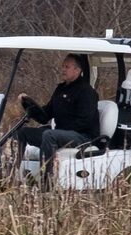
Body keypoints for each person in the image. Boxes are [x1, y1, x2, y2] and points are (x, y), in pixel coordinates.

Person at [16, 53, 101, 188]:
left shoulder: (87, 92)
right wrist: (28, 105)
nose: (63, 70)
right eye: (63, 66)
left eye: (67, 67)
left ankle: (46, 182)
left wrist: (60, 131)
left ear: (77, 70)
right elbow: (45, 116)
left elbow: (85, 121)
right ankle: (12, 175)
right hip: (61, 135)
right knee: (23, 132)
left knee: (49, 135)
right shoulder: (60, 89)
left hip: (82, 136)